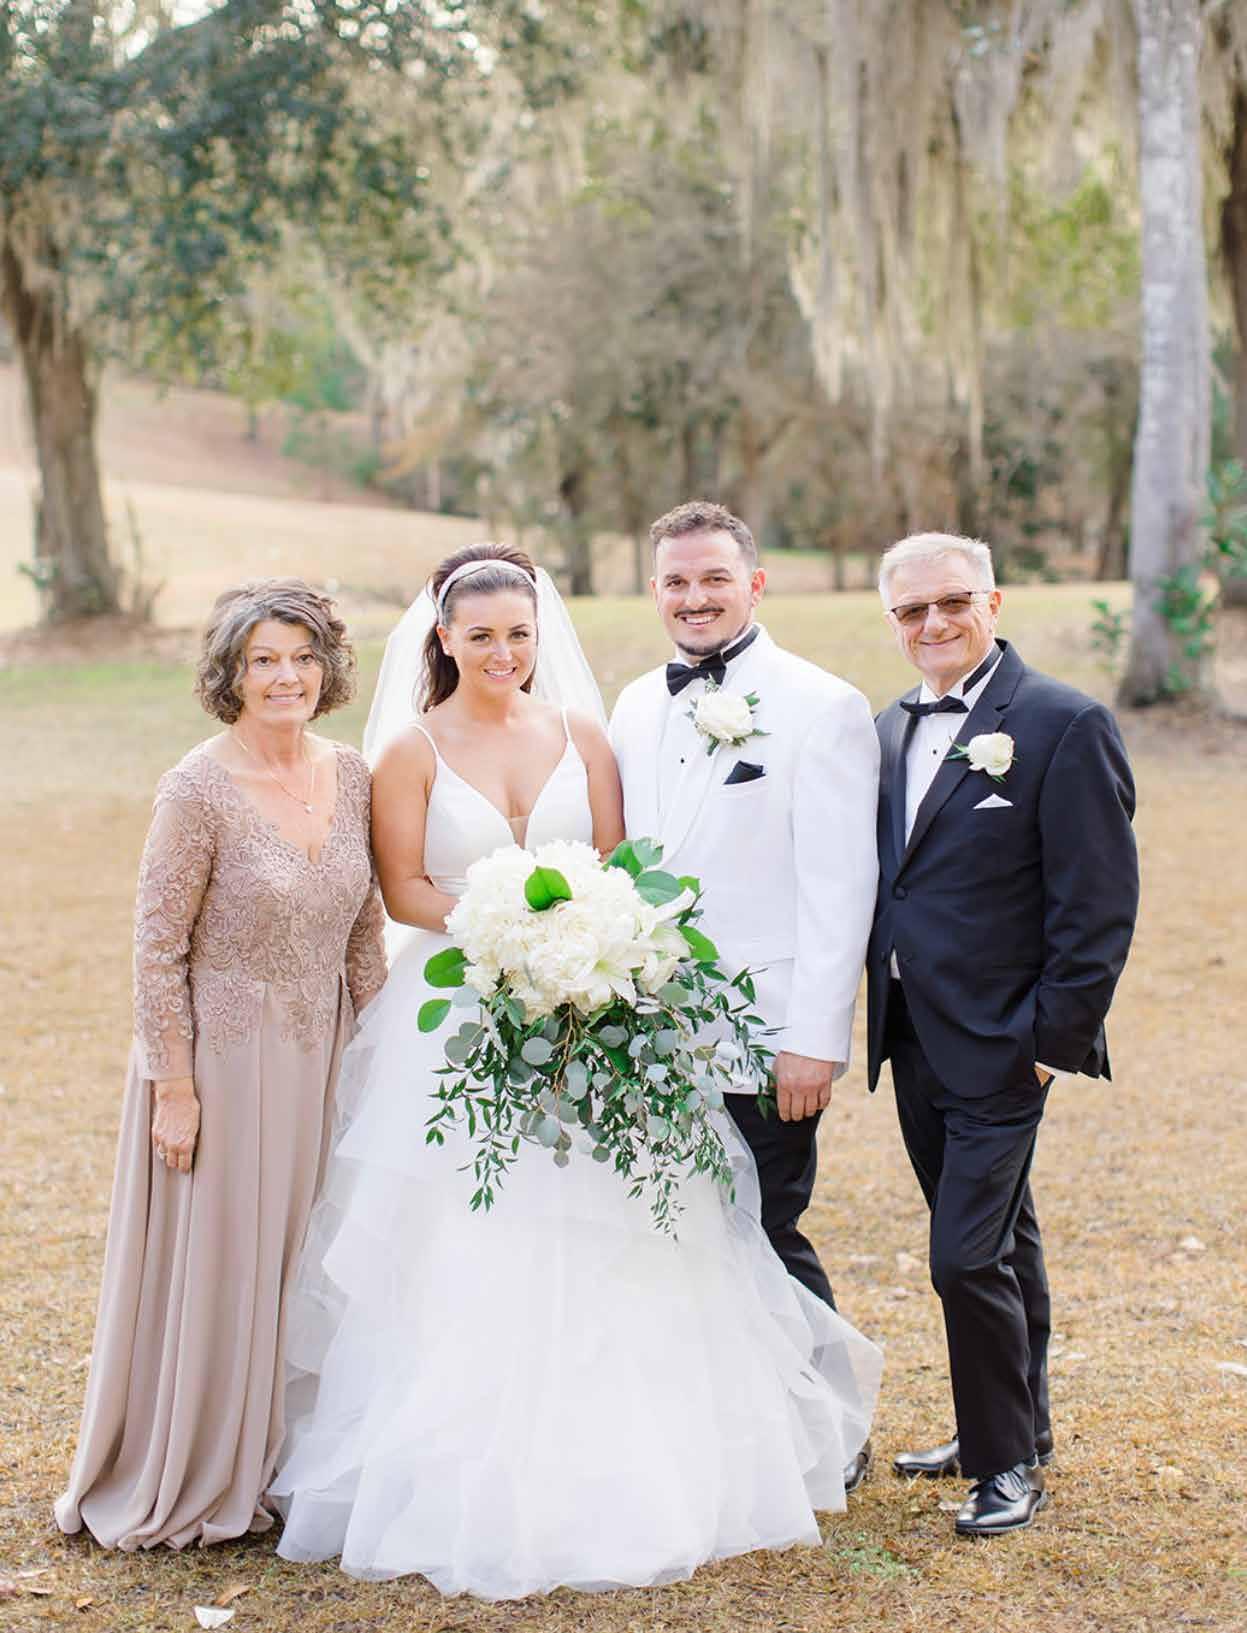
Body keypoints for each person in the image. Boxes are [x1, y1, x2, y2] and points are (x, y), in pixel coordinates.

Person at [269, 542, 881, 1597]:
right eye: (480, 635)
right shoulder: (410, 749)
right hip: (460, 1005)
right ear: (443, 639)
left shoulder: (585, 733)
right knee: (469, 1228)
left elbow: (614, 865)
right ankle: (467, 1461)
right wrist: (504, 930)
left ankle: (637, 1456)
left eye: (518, 634)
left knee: (619, 1225)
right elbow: (402, 885)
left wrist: (582, 940)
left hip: (589, 1002)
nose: (501, 652)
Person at [55, 580, 387, 1550]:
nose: (286, 676)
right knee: (226, 1263)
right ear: (230, 674)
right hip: (223, 1065)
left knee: (309, 1254)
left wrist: (384, 1056)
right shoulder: (194, 789)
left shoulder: (352, 773)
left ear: (326, 666)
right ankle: (203, 1464)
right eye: (263, 660)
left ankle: (291, 1457)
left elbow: (364, 933)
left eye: (302, 656)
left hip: (324, 1056)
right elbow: (156, 947)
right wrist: (174, 1086)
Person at [866, 532, 1138, 1538]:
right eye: (911, 609)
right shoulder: (886, 727)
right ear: (892, 620)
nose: (933, 622)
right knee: (1001, 1237)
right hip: (912, 1034)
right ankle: (1018, 1426)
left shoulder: (1064, 723)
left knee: (962, 1256)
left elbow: (1096, 901)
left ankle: (1002, 1465)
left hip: (1007, 1042)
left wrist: (1051, 1042)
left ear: (992, 599)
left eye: (952, 601)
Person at [609, 500, 881, 1491]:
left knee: (766, 1226)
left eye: (714, 578)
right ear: (654, 590)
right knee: (677, 1231)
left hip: (764, 1034)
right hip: (649, 1029)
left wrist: (813, 1038)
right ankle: (721, 1426)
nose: (695, 597)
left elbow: (839, 887)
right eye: (676, 581)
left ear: (754, 584)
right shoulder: (632, 705)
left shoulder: (821, 705)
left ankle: (831, 1427)